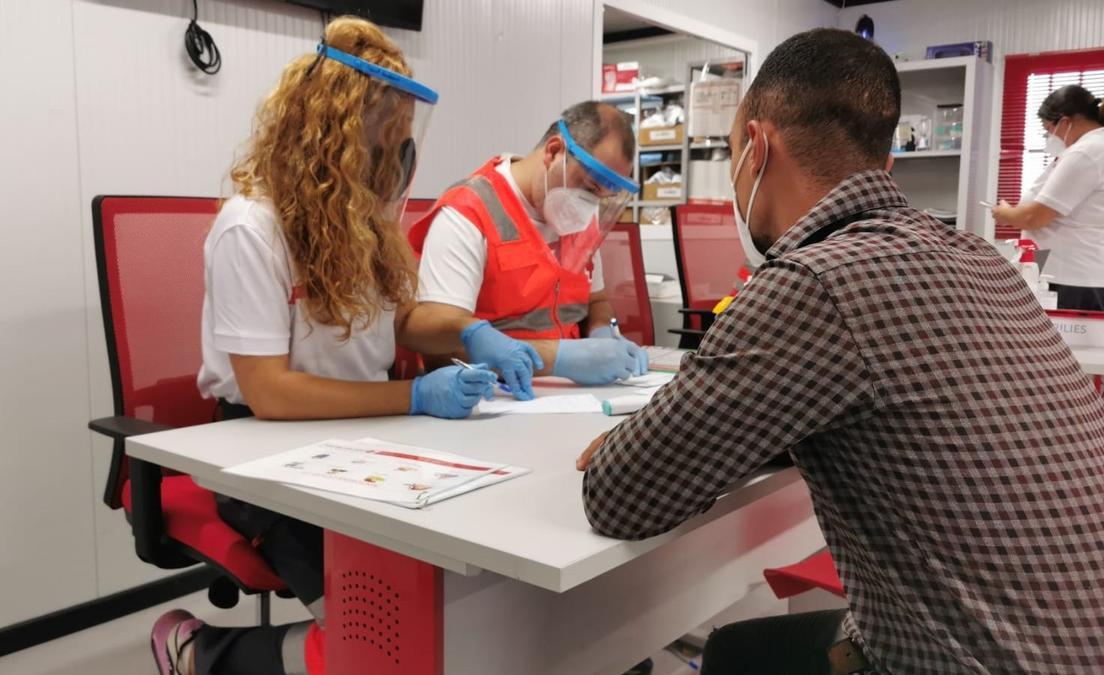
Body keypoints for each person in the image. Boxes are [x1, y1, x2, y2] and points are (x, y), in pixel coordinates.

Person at [577, 28, 1104, 674]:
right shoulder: (978, 258)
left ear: (759, 147)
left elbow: (620, 495)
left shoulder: (814, 283)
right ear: (885, 165)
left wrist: (659, 436)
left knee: (738, 656)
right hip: (1071, 641)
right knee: (741, 649)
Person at [148, 17, 533, 675]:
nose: (396, 163)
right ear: (335, 139)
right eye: (385, 144)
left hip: (363, 440)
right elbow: (269, 392)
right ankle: (201, 652)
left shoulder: (357, 225)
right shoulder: (253, 227)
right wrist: (411, 393)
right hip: (262, 456)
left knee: (448, 604)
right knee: (376, 637)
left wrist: (470, 329)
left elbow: (400, 318)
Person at [404, 101, 649, 397]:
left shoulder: (579, 219)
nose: (589, 206)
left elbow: (596, 301)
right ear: (554, 151)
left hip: (573, 396)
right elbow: (439, 348)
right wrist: (561, 359)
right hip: (493, 397)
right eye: (588, 188)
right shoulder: (468, 213)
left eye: (602, 196)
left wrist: (603, 331)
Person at [993, 85, 1104, 311]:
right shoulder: (1091, 149)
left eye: (1047, 130)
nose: (1048, 138)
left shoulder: (1085, 152)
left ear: (1065, 123)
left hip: (1072, 278)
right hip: (1073, 274)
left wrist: (1005, 213)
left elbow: (1034, 217)